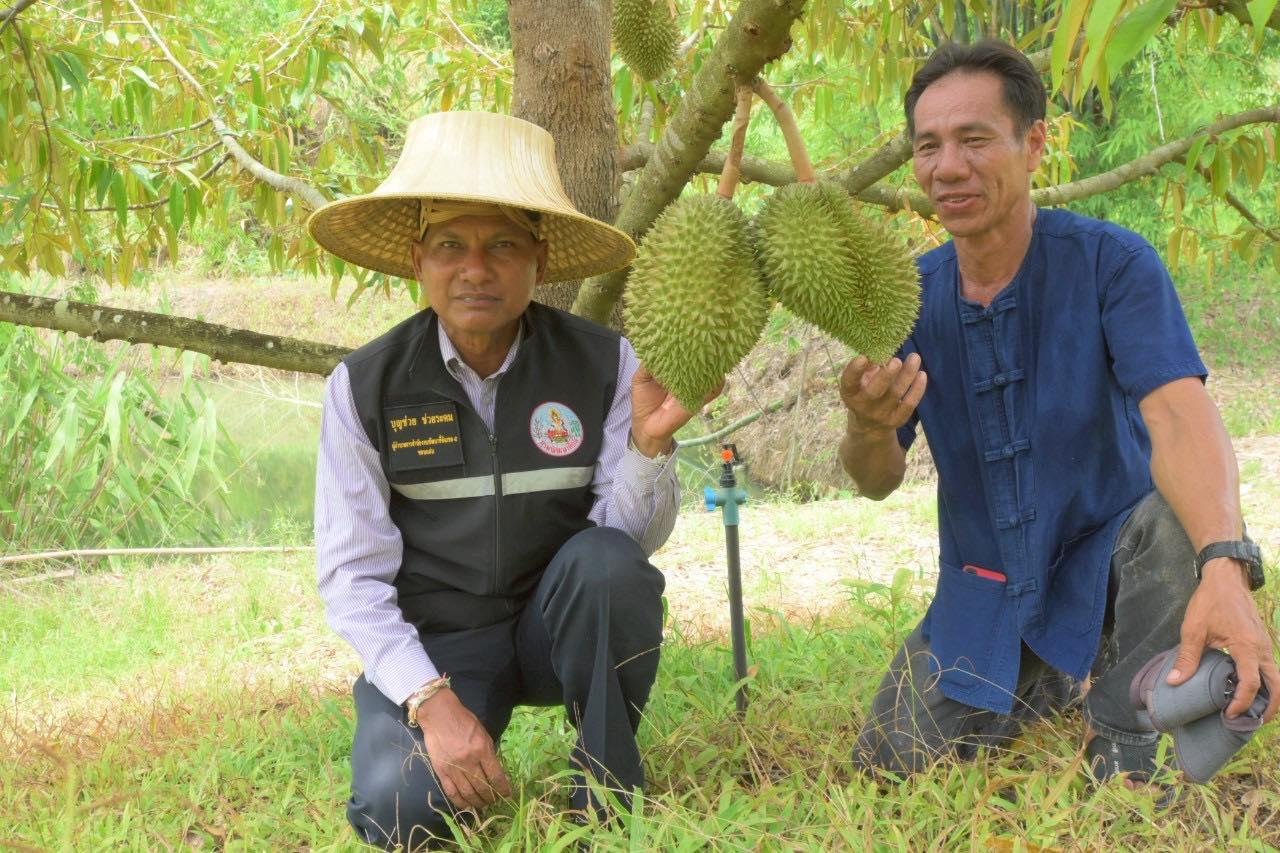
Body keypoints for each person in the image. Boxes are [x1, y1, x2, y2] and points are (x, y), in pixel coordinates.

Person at [840, 40, 1277, 783]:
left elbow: (1180, 415)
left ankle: (1124, 720)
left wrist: (1225, 566)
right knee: (889, 760)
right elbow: (875, 479)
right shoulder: (907, 299)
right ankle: (1045, 680)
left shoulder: (1113, 264)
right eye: (928, 146)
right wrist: (866, 424)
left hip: (1118, 563)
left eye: (975, 139)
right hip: (987, 587)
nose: (947, 167)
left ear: (1035, 141)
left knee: (1174, 519)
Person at [307, 111, 705, 849]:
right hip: (441, 647)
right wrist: (431, 701)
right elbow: (351, 576)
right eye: (452, 244)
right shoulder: (364, 386)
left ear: (540, 259)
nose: (476, 268)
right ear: (418, 257)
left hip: (550, 629)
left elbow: (620, 550)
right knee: (401, 811)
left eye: (503, 245)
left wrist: (649, 446)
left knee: (608, 565)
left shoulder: (604, 363)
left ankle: (608, 791)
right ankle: (449, 743)